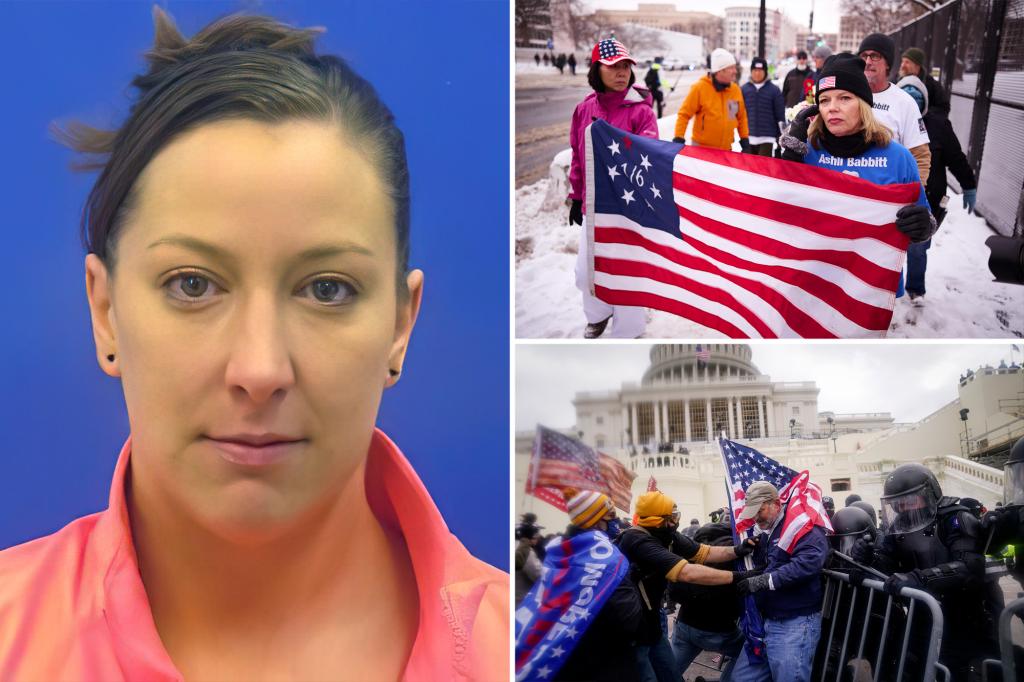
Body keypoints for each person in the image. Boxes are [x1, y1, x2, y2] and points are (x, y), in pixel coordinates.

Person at [0, 9, 508, 680]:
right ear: (105, 312)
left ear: (399, 325)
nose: (260, 370)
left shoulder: (532, 650)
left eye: (327, 289)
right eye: (191, 284)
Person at [779, 55, 937, 286]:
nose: (833, 108)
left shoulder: (898, 157)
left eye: (844, 98)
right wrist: (790, 160)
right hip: (813, 280)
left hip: (870, 288)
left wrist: (922, 226)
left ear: (863, 104)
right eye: (824, 100)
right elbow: (781, 214)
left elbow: (925, 217)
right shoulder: (807, 151)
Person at [854, 463, 997, 680]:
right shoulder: (896, 527)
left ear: (929, 494)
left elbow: (969, 568)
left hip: (966, 618)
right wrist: (866, 560)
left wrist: (920, 578)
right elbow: (887, 563)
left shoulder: (955, 518)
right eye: (898, 503)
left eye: (910, 500)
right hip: (922, 618)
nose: (903, 508)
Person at [614, 491, 759, 682]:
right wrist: (741, 576)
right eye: (672, 517)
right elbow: (687, 572)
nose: (676, 521)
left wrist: (737, 550)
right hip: (633, 628)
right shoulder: (637, 540)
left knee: (671, 676)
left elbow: (704, 553)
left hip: (654, 624)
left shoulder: (668, 536)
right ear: (658, 520)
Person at [568, 38, 658, 339]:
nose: (621, 73)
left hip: (627, 209)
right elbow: (578, 156)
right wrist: (576, 196)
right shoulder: (584, 110)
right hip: (593, 206)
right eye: (613, 67)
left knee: (626, 272)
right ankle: (598, 313)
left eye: (626, 67)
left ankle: (629, 331)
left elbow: (650, 156)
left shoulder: (640, 112)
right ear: (597, 70)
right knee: (586, 271)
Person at [729, 482, 829, 682]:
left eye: (760, 510)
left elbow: (809, 562)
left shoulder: (802, 525)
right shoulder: (770, 532)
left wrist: (765, 580)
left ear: (776, 503)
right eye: (753, 511)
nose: (756, 517)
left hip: (795, 622)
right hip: (768, 621)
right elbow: (770, 565)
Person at [896, 73, 978, 303]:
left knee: (918, 248)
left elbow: (956, 158)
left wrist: (968, 185)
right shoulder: (889, 123)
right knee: (890, 249)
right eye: (906, 94)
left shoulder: (938, 125)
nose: (912, 100)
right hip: (892, 199)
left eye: (917, 95)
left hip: (928, 201)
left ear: (925, 100)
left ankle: (915, 290)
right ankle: (890, 288)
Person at [548, 489, 643, 681]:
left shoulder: (557, 552)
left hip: (564, 655)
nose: (616, 522)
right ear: (596, 520)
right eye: (611, 517)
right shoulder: (606, 559)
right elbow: (629, 619)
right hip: (607, 660)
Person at [669, 520, 744, 681]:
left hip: (684, 624)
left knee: (667, 672)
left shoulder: (694, 547)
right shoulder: (733, 551)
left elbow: (674, 590)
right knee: (750, 653)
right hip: (718, 629)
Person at [857, 34, 931, 185]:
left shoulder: (904, 102)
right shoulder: (847, 95)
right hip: (851, 193)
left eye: (875, 56)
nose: (868, 62)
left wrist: (915, 196)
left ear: (888, 64)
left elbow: (920, 156)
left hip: (887, 196)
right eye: (864, 56)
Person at [672, 48, 750, 152]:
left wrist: (744, 140)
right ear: (720, 71)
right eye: (731, 68)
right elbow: (684, 115)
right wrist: (678, 138)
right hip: (701, 151)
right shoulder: (699, 88)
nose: (735, 71)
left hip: (726, 150)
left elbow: (741, 117)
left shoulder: (735, 90)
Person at [740, 57, 785, 156]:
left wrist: (780, 137)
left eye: (760, 70)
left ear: (765, 72)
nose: (757, 73)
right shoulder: (743, 89)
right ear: (751, 71)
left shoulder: (774, 90)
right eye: (755, 70)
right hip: (748, 137)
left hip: (767, 138)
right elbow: (738, 114)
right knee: (747, 169)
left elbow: (780, 115)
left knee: (762, 169)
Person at [899, 47, 949, 118]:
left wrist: (923, 116)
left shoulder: (932, 85)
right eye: (902, 61)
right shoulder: (895, 81)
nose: (902, 65)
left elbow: (943, 108)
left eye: (907, 62)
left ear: (917, 66)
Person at [515, 521, 543, 604]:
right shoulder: (526, 551)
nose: (538, 539)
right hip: (520, 598)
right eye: (536, 536)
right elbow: (538, 574)